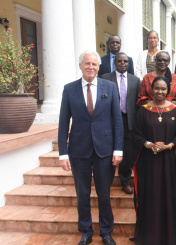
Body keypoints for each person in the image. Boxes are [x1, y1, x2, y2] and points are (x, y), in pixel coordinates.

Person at [58, 50, 123, 245]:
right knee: (82, 194)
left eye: (94, 64)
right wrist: (63, 153)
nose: (91, 67)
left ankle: (106, 232)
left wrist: (118, 150)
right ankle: (85, 231)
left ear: (99, 67)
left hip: (104, 149)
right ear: (80, 66)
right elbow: (63, 123)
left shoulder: (110, 87)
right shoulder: (69, 89)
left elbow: (117, 121)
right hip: (79, 150)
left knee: (104, 193)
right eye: (87, 64)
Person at [132, 76, 176, 245]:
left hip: (170, 161)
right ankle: (151, 234)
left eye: (163, 89)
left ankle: (170, 233)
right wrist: (149, 144)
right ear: (151, 89)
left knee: (168, 195)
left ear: (168, 90)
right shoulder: (143, 110)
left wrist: (170, 145)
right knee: (151, 195)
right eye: (157, 88)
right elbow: (136, 134)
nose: (160, 92)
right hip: (148, 162)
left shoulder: (175, 110)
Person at [101, 52, 141, 195]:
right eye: (119, 61)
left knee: (128, 153)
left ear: (128, 64)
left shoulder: (136, 80)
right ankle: (107, 182)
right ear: (115, 63)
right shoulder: (105, 78)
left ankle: (125, 181)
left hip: (129, 121)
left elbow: (138, 103)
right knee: (109, 151)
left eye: (125, 61)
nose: (123, 63)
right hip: (111, 121)